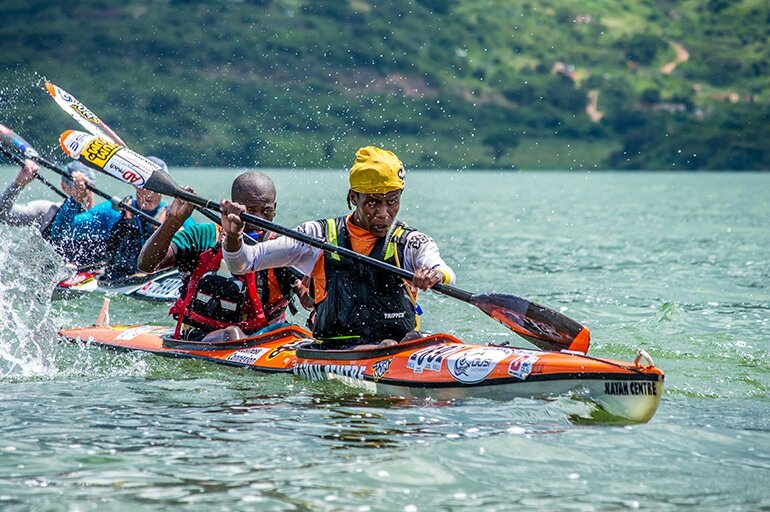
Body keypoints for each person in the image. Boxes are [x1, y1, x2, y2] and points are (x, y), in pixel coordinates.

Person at [221, 146, 456, 350]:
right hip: (335, 348)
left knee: (406, 341)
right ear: (354, 197)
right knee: (384, 347)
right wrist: (233, 235)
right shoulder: (316, 235)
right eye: (373, 202)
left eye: (392, 201)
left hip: (402, 346)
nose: (384, 213)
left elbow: (444, 271)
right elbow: (244, 262)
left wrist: (436, 275)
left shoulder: (411, 242)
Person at [138, 171, 308, 342]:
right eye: (250, 210)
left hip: (266, 338)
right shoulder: (203, 236)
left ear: (275, 209)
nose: (258, 219)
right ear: (234, 207)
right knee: (232, 334)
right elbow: (147, 265)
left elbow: (308, 299)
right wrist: (174, 220)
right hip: (201, 337)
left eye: (266, 211)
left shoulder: (280, 247)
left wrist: (316, 289)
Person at [48, 156, 193, 277]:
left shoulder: (176, 216)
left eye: (157, 187)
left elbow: (201, 249)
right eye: (144, 185)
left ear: (166, 190)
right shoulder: (112, 211)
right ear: (134, 184)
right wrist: (75, 199)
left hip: (160, 281)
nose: (150, 192)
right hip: (117, 283)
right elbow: (60, 234)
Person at [0, 159, 97, 264]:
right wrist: (18, 184)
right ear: (64, 186)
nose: (82, 190)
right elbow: (3, 214)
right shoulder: (46, 211)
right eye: (75, 186)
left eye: (87, 186)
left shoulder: (102, 218)